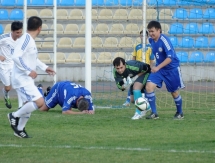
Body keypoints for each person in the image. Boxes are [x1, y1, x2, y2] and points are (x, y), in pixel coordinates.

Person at [7, 16, 56, 138]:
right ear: (40, 28)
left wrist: (45, 68)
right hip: (21, 78)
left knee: (29, 104)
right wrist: (28, 71)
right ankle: (14, 115)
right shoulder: (26, 39)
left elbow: (32, 59)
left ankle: (19, 130)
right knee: (39, 102)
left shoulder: (29, 40)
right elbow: (16, 57)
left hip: (25, 78)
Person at [145, 20, 185, 119]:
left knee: (174, 92)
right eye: (149, 31)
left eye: (152, 31)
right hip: (160, 69)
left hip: (172, 69)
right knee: (149, 87)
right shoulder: (151, 40)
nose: (151, 33)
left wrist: (157, 67)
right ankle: (154, 113)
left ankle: (180, 112)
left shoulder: (165, 41)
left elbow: (170, 58)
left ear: (159, 30)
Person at [123, 30, 155, 107]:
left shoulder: (150, 47)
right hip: (137, 69)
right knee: (132, 83)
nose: (143, 37)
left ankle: (147, 100)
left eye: (145, 35)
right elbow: (133, 58)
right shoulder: (137, 47)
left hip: (146, 70)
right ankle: (128, 100)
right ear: (140, 36)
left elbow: (151, 59)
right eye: (141, 35)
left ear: (147, 36)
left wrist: (150, 68)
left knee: (147, 85)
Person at [0, 21, 23, 109]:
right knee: (8, 88)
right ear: (12, 31)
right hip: (3, 66)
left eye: (20, 32)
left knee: (19, 85)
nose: (19, 34)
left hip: (14, 65)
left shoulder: (21, 40)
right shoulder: (3, 38)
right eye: (17, 32)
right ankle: (6, 94)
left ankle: (20, 106)